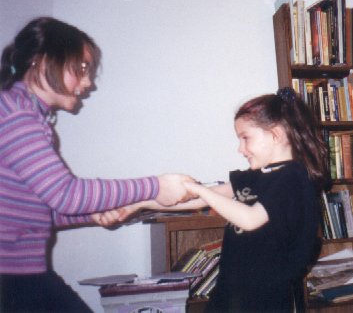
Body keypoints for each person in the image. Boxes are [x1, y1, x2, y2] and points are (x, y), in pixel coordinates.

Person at [0, 17, 194, 313]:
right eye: (80, 69)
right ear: (42, 62)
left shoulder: (22, 111)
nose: (88, 82)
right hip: (11, 277)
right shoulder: (17, 114)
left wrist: (93, 213)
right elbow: (66, 194)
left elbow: (42, 210)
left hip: (21, 272)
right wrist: (157, 185)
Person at [97, 87, 330, 313]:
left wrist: (195, 188)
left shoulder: (294, 177)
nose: (240, 148)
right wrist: (139, 204)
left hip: (266, 299)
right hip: (231, 293)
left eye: (245, 138)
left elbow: (250, 219)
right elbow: (197, 200)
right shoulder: (255, 177)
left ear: (276, 134)